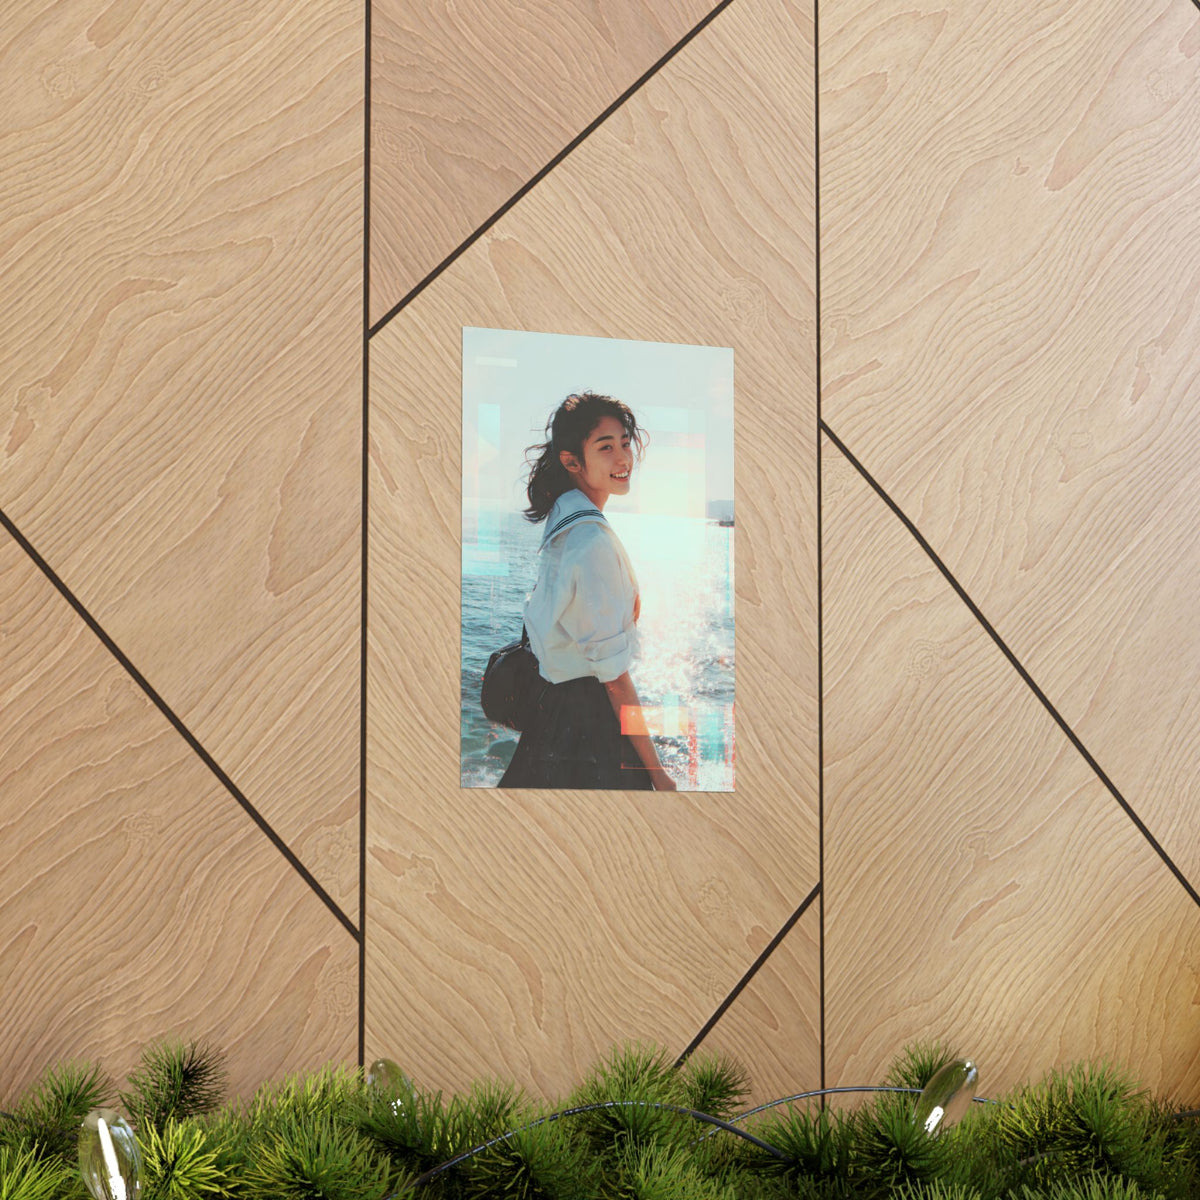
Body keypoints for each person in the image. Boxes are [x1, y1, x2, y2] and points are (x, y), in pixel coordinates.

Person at [499, 392, 677, 790]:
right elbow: (615, 681)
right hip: (589, 733)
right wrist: (658, 772)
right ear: (571, 461)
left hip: (552, 722)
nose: (623, 458)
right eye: (606, 446)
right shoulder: (591, 542)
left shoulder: (563, 520)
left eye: (625, 444)